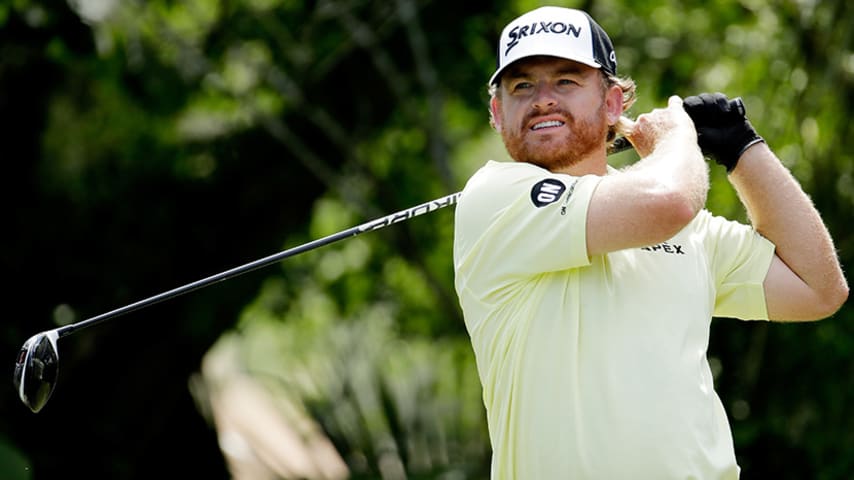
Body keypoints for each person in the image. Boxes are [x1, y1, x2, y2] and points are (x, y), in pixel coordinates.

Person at [452, 6, 848, 479]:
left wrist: (742, 148)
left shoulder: (689, 230)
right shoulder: (495, 197)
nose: (542, 100)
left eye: (566, 81)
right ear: (498, 113)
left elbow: (819, 288)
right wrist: (677, 136)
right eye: (522, 86)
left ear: (614, 103)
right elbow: (668, 201)